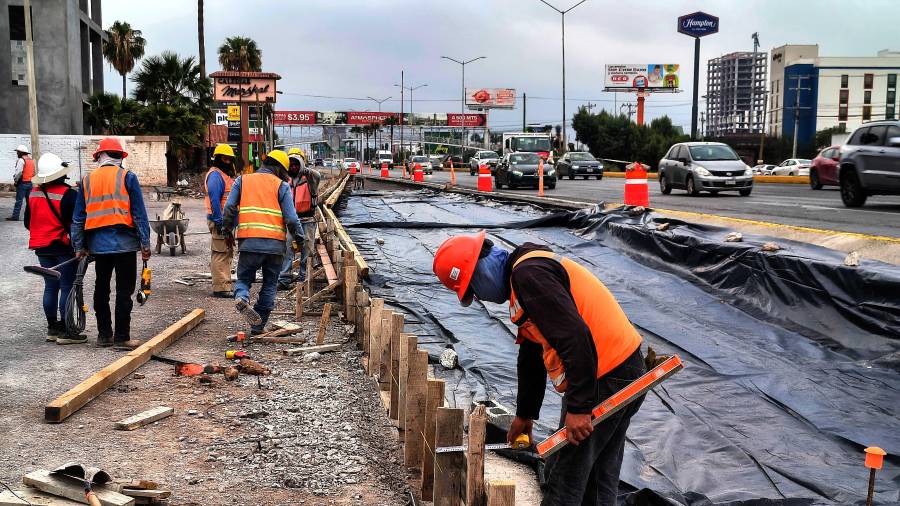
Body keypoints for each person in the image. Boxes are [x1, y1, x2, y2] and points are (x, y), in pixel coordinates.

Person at [432, 232, 646, 506]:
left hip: (604, 376)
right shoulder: (527, 271)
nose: (479, 298)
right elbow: (532, 354)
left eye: (473, 289)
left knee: (564, 479)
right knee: (597, 476)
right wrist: (525, 415)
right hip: (621, 368)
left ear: (480, 269)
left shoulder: (528, 276)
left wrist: (579, 408)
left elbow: (575, 336)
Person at [71, 137, 151, 349]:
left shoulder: (87, 180)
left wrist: (79, 246)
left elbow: (78, 218)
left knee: (101, 289)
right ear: (120, 157)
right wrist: (145, 244)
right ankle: (122, 337)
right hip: (124, 244)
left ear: (98, 156)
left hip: (98, 246)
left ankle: (104, 335)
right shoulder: (127, 177)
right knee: (124, 291)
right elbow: (139, 214)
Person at [222, 150, 302, 335]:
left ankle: (242, 297)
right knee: (269, 284)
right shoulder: (281, 186)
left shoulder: (243, 180)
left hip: (249, 242)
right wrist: (299, 239)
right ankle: (258, 326)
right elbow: (291, 218)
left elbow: (229, 207)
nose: (286, 175)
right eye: (285, 171)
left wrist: (227, 230)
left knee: (244, 279)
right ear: (278, 168)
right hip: (275, 246)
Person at [25, 153, 82, 344]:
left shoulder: (31, 193)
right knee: (66, 285)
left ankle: (52, 328)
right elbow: (76, 224)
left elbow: (27, 222)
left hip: (41, 247)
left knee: (50, 286)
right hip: (62, 246)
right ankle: (67, 331)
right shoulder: (69, 195)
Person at [278, 148, 320, 290]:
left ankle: (304, 278)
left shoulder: (310, 178)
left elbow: (317, 175)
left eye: (297, 164)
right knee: (287, 249)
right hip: (291, 221)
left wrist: (305, 169)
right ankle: (284, 279)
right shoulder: (286, 179)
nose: (293, 167)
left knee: (307, 251)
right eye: (291, 164)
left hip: (307, 219)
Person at [204, 143, 237, 297]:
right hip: (220, 220)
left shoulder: (224, 175)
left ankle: (225, 284)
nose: (228, 162)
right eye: (225, 158)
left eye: (230, 159)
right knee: (220, 252)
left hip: (226, 220)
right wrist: (220, 223)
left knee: (226, 251)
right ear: (217, 159)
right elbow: (215, 201)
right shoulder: (215, 176)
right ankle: (221, 288)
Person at [7, 144, 35, 221]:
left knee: (19, 201)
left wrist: (16, 181)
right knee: (29, 202)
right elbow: (33, 172)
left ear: (21, 152)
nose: (17, 153)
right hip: (30, 183)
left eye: (18, 152)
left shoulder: (21, 160)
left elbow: (18, 173)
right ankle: (32, 217)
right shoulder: (31, 160)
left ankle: (15, 216)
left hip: (22, 183)